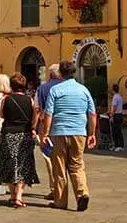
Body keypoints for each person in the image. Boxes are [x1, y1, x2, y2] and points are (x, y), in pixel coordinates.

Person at [41, 60, 97, 212]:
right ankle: (82, 193)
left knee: (59, 168)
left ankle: (60, 201)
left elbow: (48, 114)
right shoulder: (84, 90)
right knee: (77, 165)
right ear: (74, 72)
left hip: (59, 132)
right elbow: (92, 114)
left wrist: (45, 133)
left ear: (61, 73)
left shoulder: (56, 90)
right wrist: (92, 133)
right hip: (79, 132)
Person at [0, 73, 39, 208]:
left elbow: (1, 114)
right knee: (23, 164)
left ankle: (12, 195)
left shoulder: (6, 99)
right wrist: (33, 127)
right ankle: (19, 196)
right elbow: (34, 115)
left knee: (8, 163)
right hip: (24, 134)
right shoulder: (29, 100)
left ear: (11, 86)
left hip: (8, 133)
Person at [31, 64, 62, 201]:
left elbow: (37, 109)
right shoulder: (67, 86)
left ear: (50, 75)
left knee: (49, 158)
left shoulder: (41, 88)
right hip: (65, 126)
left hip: (47, 127)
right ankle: (65, 188)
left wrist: (34, 127)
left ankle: (55, 189)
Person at [109, 84, 124, 151]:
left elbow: (114, 107)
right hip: (120, 114)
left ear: (113, 90)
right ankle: (118, 145)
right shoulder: (120, 96)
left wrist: (111, 116)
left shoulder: (115, 97)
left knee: (115, 131)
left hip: (116, 115)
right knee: (118, 131)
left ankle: (118, 145)